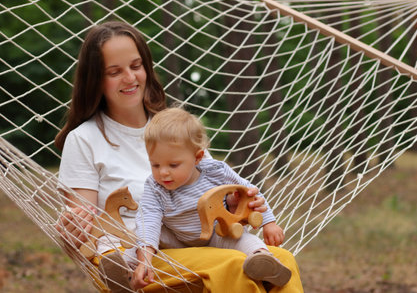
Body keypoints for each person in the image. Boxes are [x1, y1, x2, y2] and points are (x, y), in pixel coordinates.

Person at [55, 20, 303, 293]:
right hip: (139, 257)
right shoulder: (84, 140)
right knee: (232, 264)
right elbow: (84, 228)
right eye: (114, 72)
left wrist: (234, 203)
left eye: (136, 66)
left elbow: (207, 191)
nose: (129, 78)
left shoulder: (174, 129)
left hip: (200, 242)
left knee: (282, 259)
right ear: (96, 79)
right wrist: (71, 231)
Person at [133, 107, 291, 290]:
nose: (163, 172)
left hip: (216, 233)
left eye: (173, 165)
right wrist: (145, 259)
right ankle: (130, 270)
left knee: (241, 238)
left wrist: (269, 223)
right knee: (141, 237)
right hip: (175, 238)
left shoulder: (216, 171)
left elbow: (249, 192)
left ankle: (263, 262)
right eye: (155, 164)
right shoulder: (155, 186)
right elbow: (149, 219)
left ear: (198, 157)